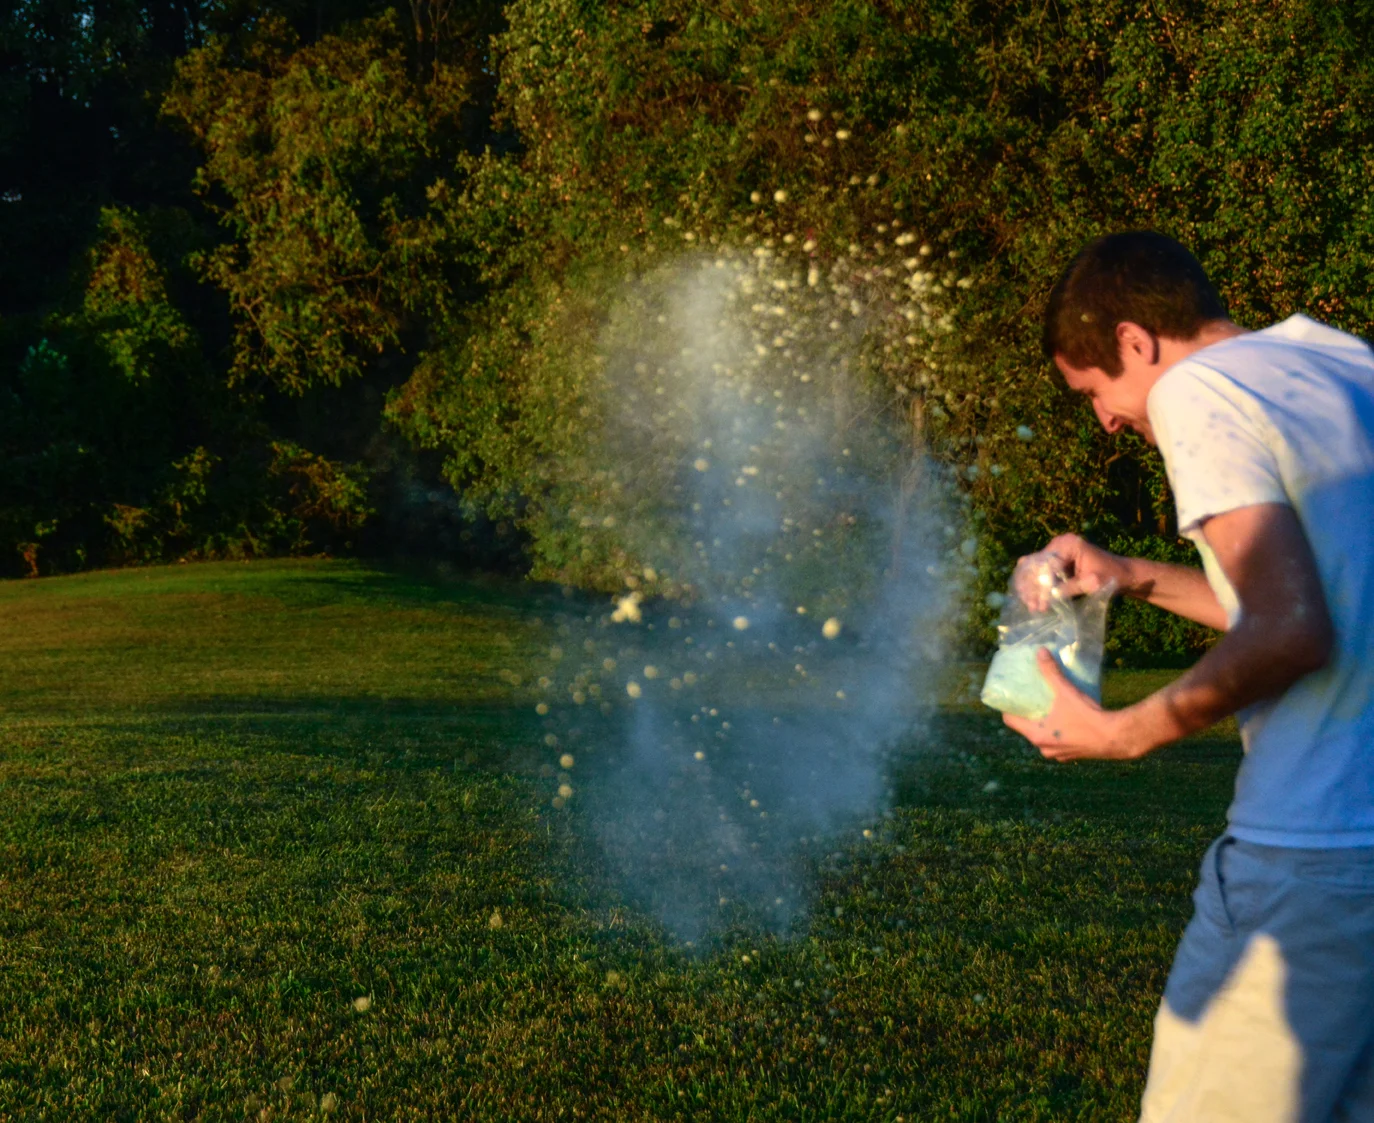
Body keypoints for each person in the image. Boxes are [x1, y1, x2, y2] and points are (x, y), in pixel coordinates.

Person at [1006, 230, 1374, 1122]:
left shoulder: (1197, 388)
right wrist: (1134, 574)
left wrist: (1120, 732)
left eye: (1093, 392)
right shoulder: (1342, 365)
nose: (1105, 421)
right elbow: (1322, 602)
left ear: (1135, 340)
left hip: (1313, 851)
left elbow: (1293, 631)